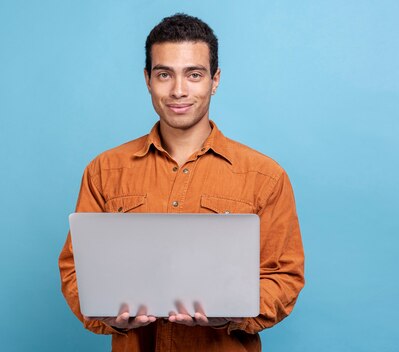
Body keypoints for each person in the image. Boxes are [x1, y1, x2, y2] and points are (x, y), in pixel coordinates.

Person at [58, 13, 305, 351]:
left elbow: (285, 277)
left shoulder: (265, 176)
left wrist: (232, 313)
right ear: (147, 80)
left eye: (193, 74)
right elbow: (75, 270)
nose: (178, 90)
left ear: (214, 80)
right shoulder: (104, 171)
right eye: (164, 74)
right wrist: (105, 315)